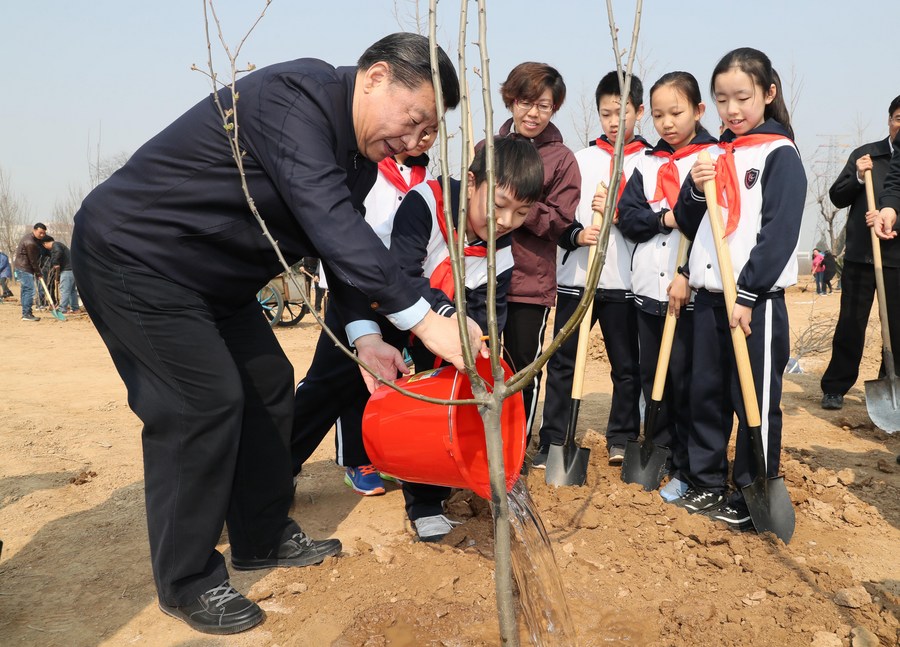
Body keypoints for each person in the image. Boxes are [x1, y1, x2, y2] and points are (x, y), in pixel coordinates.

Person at [70, 33, 483, 636]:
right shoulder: (295, 98)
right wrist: (423, 320)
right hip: (137, 256)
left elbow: (339, 248)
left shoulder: (356, 163)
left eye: (428, 132)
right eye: (414, 119)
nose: (414, 140)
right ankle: (186, 580)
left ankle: (261, 535)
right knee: (201, 402)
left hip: (213, 280)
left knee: (268, 383)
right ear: (375, 77)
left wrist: (366, 338)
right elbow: (333, 223)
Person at [673, 48, 806, 531]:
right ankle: (707, 481)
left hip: (755, 303)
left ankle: (753, 492)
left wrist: (748, 293)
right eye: (722, 99)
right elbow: (687, 220)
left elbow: (778, 234)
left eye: (742, 98)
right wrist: (694, 187)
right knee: (706, 394)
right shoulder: (710, 154)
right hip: (710, 298)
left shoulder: (779, 154)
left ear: (768, 94)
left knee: (755, 400)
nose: (732, 109)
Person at [388, 136, 543, 540]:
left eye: (521, 213)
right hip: (380, 312)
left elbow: (489, 310)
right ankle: (281, 468)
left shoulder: (500, 248)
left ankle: (425, 501)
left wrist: (481, 348)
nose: (506, 221)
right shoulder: (426, 202)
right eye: (499, 205)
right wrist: (448, 317)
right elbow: (401, 275)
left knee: (446, 398)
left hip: (446, 329)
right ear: (472, 183)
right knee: (331, 389)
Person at [290, 133, 435, 496]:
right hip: (353, 289)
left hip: (399, 294)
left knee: (378, 380)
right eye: (417, 125)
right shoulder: (368, 170)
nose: (423, 137)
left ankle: (366, 456)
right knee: (330, 382)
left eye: (432, 130)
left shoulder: (427, 178)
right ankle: (279, 463)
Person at [535, 71, 649, 468]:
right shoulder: (579, 161)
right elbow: (559, 216)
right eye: (606, 113)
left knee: (626, 366)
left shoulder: (652, 162)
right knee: (563, 362)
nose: (614, 121)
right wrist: (576, 235)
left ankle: (622, 437)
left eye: (622, 112)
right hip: (577, 280)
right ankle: (554, 438)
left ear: (639, 111)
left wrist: (621, 214)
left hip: (626, 283)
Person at [617, 71, 718, 499]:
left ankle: (688, 467)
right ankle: (660, 452)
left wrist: (686, 274)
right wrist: (666, 218)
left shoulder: (713, 158)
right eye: (658, 115)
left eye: (676, 113)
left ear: (698, 110)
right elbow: (629, 218)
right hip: (647, 290)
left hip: (689, 296)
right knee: (651, 380)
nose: (667, 123)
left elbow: (711, 225)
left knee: (686, 382)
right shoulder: (644, 163)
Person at [495, 62, 581, 443]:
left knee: (521, 371)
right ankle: (479, 447)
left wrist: (519, 204)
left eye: (544, 106)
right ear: (511, 100)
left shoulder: (562, 160)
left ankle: (514, 450)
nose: (533, 113)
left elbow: (561, 223)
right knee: (477, 366)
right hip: (482, 278)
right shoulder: (488, 149)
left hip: (529, 284)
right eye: (525, 102)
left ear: (554, 109)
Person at [821, 95, 900, 410]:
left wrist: (889, 216)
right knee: (850, 325)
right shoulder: (866, 155)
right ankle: (835, 386)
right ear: (889, 120)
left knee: (896, 329)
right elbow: (837, 197)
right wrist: (856, 176)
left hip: (896, 260)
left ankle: (889, 388)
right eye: (898, 118)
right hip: (860, 257)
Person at [13, 222, 47, 321]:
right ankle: (27, 314)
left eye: (44, 233)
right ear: (34, 230)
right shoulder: (30, 242)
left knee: (25, 290)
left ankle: (26, 312)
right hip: (24, 268)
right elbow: (33, 260)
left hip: (23, 267)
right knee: (29, 290)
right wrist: (38, 273)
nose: (42, 235)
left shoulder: (34, 239)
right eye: (40, 233)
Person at [41, 236, 80, 313]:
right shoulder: (59, 245)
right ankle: (75, 308)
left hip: (67, 270)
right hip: (72, 270)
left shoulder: (56, 245)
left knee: (64, 290)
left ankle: (62, 309)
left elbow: (58, 252)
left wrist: (55, 262)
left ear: (45, 244)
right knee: (72, 290)